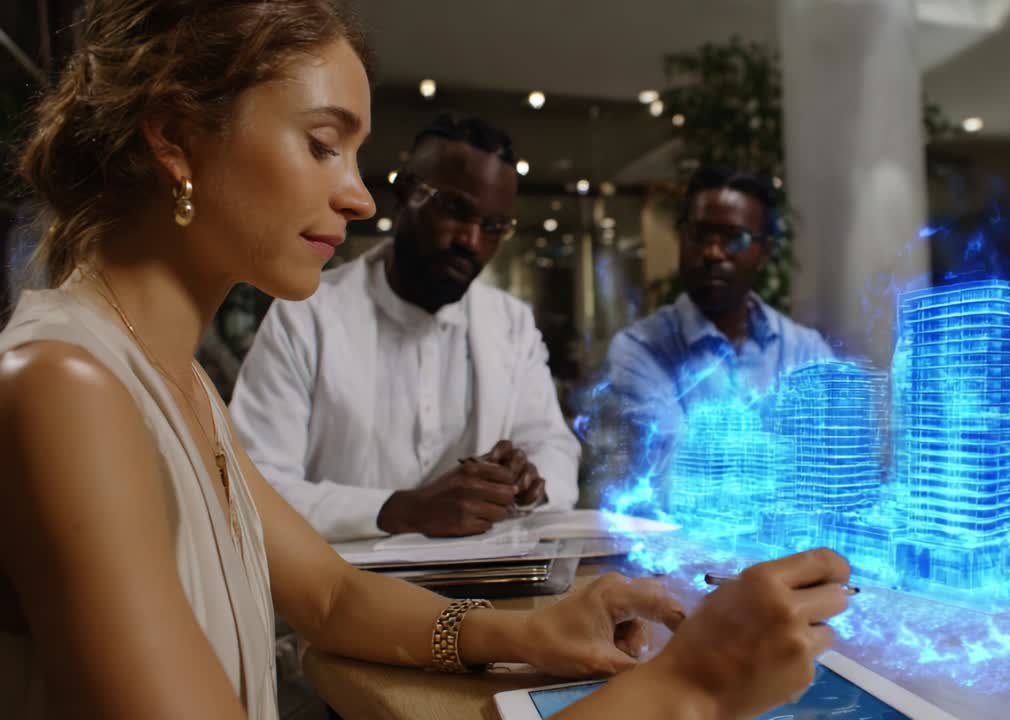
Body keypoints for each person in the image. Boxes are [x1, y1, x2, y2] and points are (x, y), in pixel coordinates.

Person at [0, 2, 851, 718]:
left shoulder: (172, 378)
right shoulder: (68, 388)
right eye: (323, 143)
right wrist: (693, 685)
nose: (359, 195)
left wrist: (533, 627)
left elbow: (331, 598)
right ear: (176, 141)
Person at [229, 114, 579, 542]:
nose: (470, 240)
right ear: (406, 193)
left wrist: (529, 485)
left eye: (493, 227)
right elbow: (253, 488)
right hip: (335, 594)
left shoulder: (511, 324)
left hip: (483, 591)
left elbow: (555, 447)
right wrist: (401, 510)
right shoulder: (307, 316)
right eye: (455, 210)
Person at [593, 166, 833, 504]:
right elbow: (673, 474)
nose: (713, 253)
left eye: (734, 238)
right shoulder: (639, 350)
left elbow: (832, 467)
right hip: (687, 551)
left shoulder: (807, 351)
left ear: (764, 252)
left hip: (793, 551)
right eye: (700, 235)